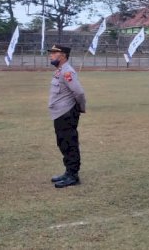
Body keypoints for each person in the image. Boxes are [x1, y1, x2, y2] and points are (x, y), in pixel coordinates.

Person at [47, 44, 86, 188]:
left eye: (53, 53)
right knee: (63, 143)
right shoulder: (60, 71)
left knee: (69, 143)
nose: (50, 55)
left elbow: (79, 92)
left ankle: (73, 176)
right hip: (59, 114)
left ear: (62, 55)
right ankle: (68, 172)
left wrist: (81, 108)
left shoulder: (67, 72)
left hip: (67, 113)